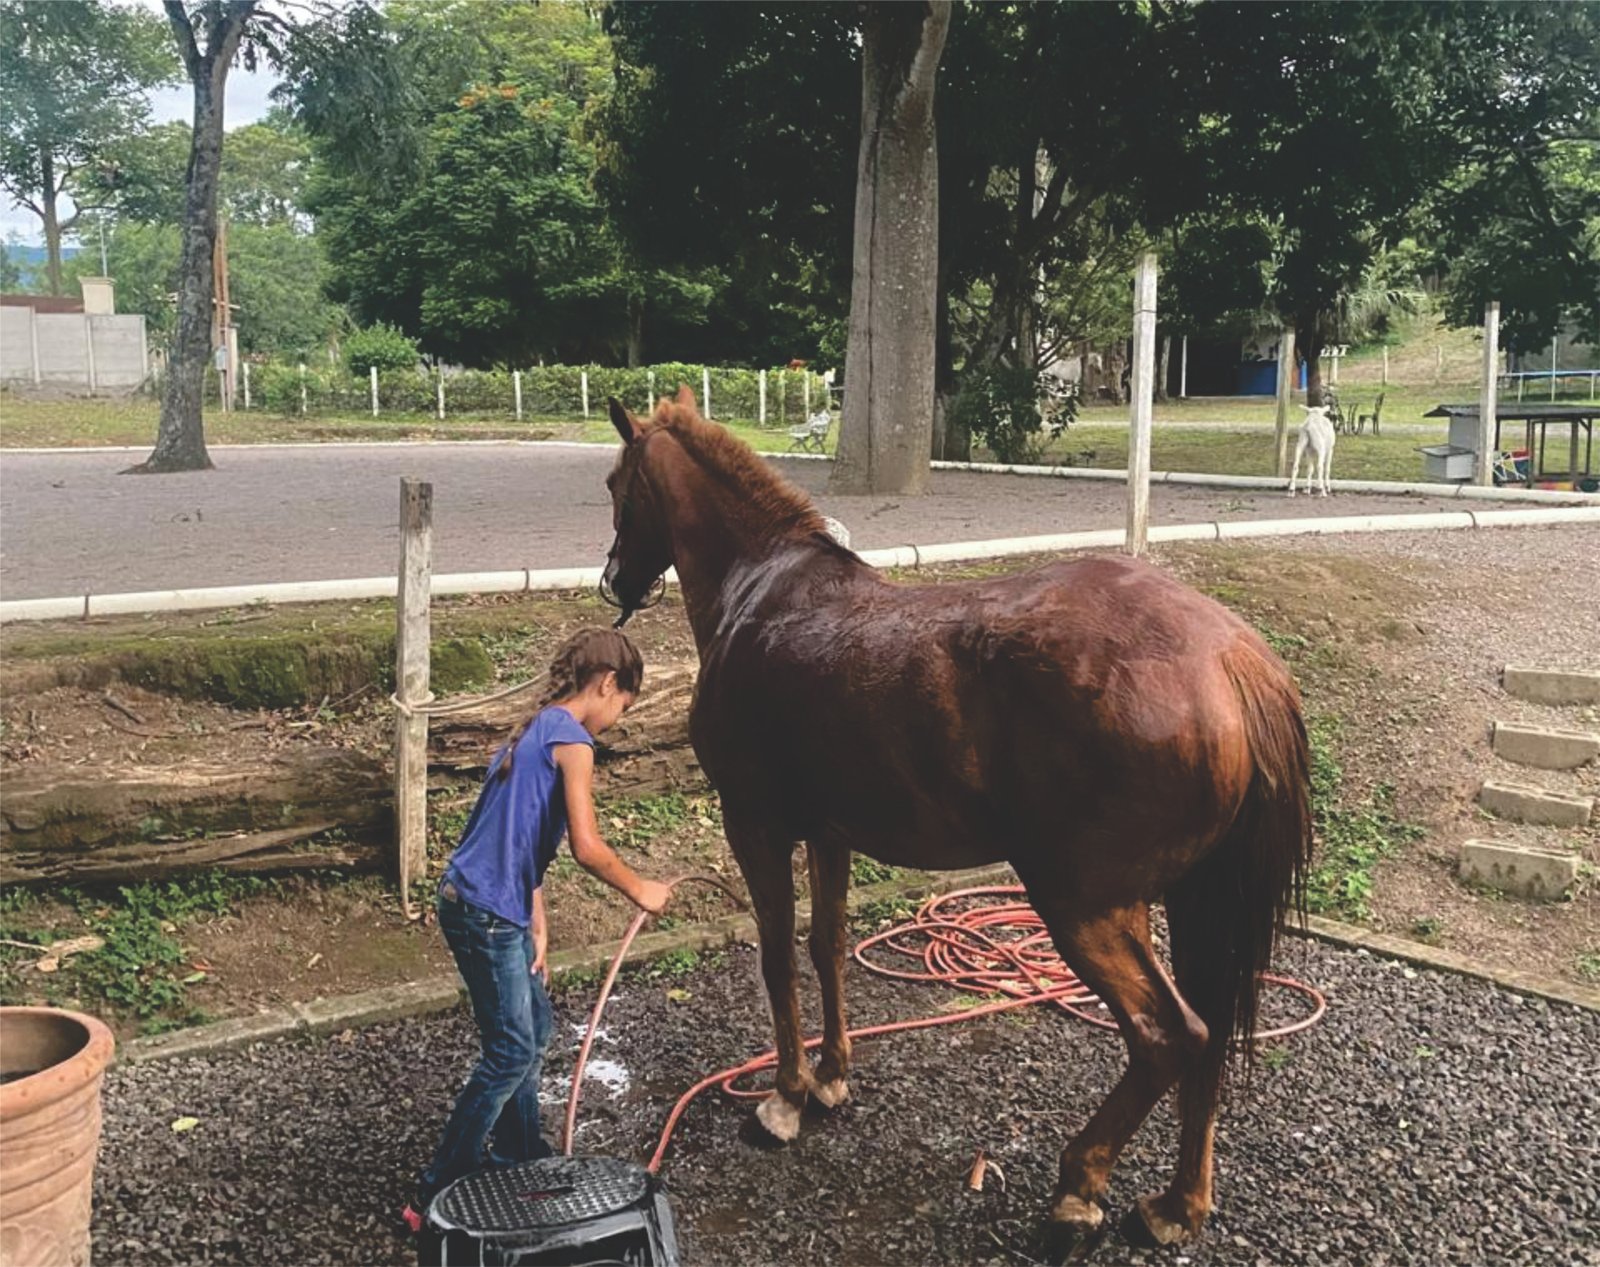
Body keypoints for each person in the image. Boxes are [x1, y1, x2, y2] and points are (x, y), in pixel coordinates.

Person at [405, 628, 671, 1230]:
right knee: (510, 1051)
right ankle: (434, 1191)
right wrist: (641, 888)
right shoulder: (573, 742)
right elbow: (586, 845)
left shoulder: (536, 727)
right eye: (622, 705)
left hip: (486, 904)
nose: (616, 718)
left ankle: (520, 1153)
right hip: (485, 912)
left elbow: (519, 838)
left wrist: (538, 921)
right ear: (607, 685)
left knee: (536, 1025)